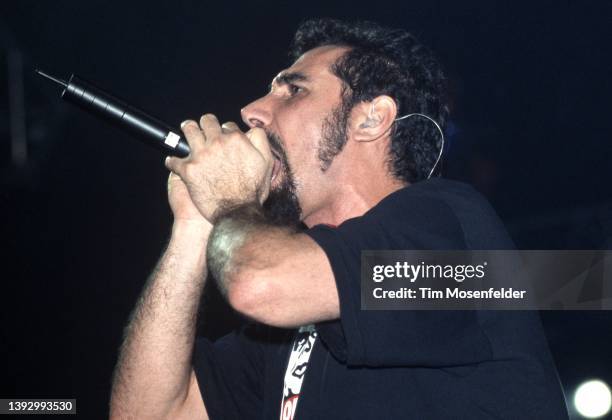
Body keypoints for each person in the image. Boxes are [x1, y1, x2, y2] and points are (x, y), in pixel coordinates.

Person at [109, 18, 568, 419]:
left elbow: (260, 283)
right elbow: (148, 413)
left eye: (293, 90)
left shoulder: (450, 224)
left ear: (371, 119)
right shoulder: (290, 320)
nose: (252, 111)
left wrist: (230, 201)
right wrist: (194, 228)